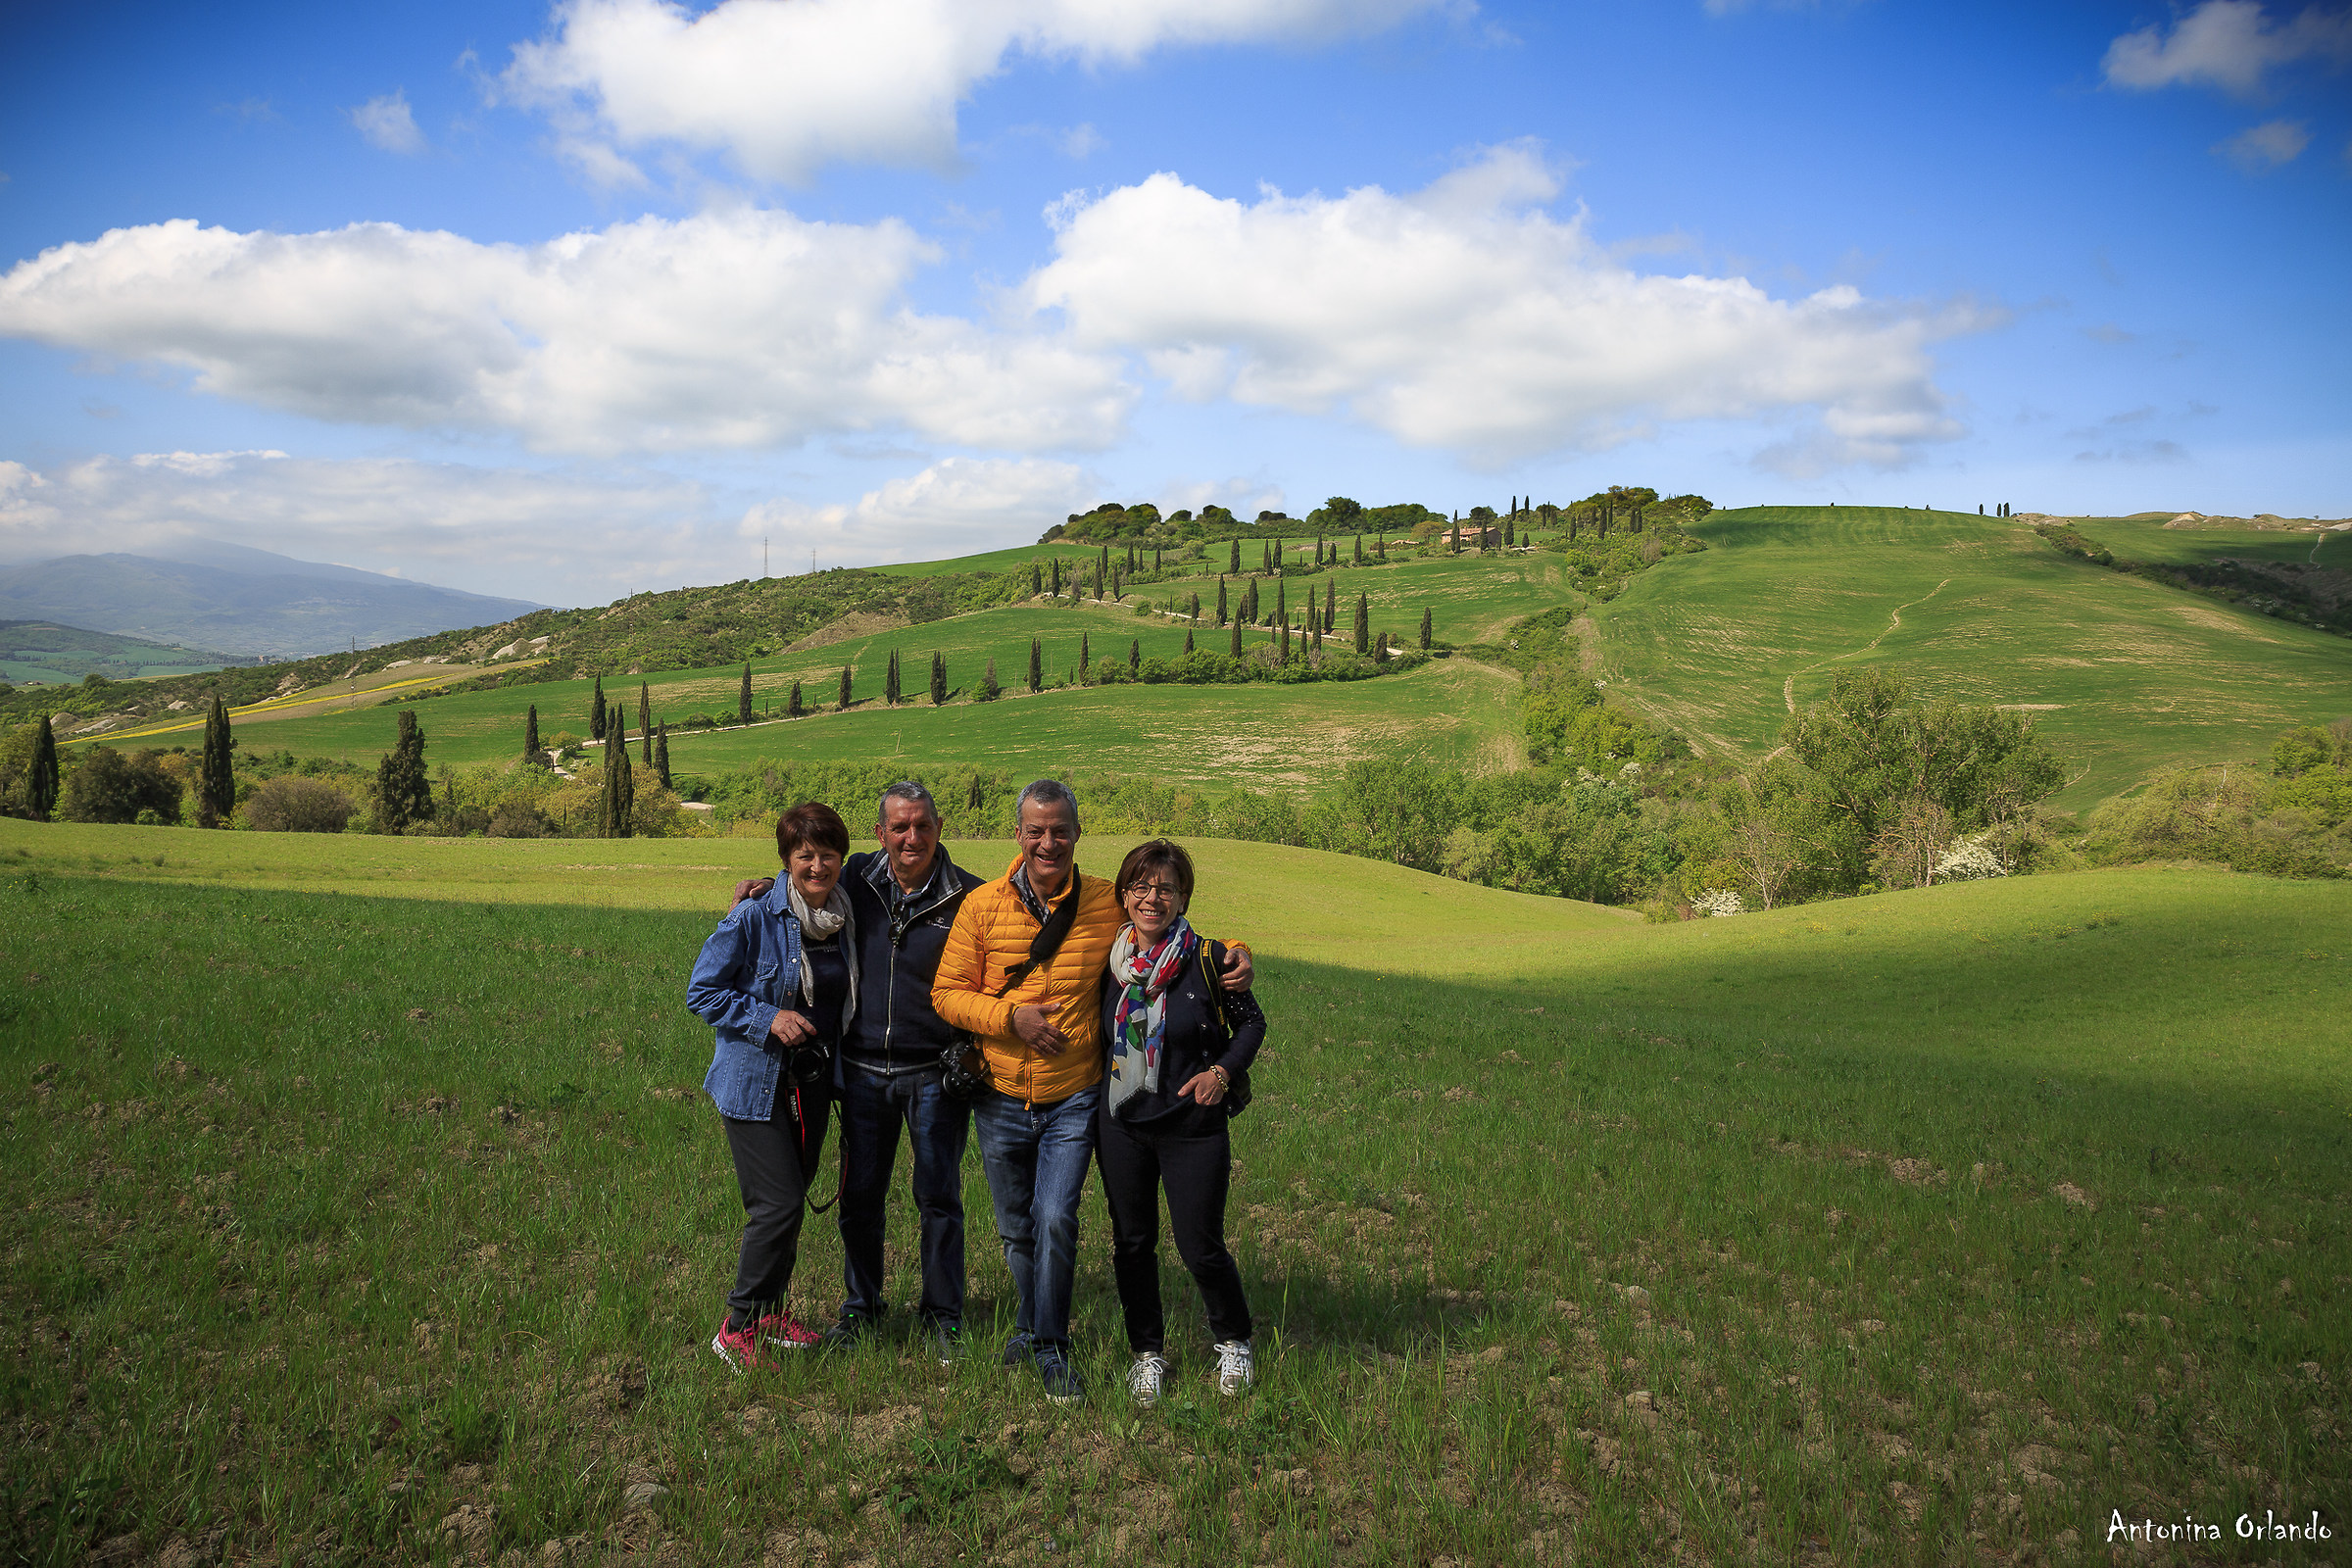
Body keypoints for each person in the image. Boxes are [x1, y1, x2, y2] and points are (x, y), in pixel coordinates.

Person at [930, 779, 1251, 1406]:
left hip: (1077, 1094)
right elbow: (946, 994)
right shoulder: (983, 906)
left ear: (1078, 834)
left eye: (1060, 831)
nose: (1048, 842)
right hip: (999, 1094)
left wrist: (1236, 953)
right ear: (1018, 835)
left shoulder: (1106, 900)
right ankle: (1033, 1328)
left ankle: (1052, 1347)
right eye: (1036, 831)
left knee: (1054, 1218)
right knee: (1015, 1229)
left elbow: (1170, 928)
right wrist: (1010, 1018)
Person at [727, 783, 985, 1362]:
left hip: (933, 1075)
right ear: (880, 833)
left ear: (939, 828)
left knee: (938, 1198)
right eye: (899, 827)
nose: (911, 837)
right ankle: (861, 1309)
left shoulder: (970, 897)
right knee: (861, 1199)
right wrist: (763, 887)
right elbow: (805, 876)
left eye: (922, 825)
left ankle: (942, 1316)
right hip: (863, 1072)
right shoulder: (856, 878)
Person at [688, 803, 857, 1372]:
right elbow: (702, 992)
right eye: (805, 855)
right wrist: (769, 1018)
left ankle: (770, 1315)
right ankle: (737, 1327)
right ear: (786, 859)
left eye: (828, 854)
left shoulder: (844, 913)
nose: (817, 866)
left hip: (811, 1083)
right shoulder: (753, 916)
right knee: (777, 1205)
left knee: (790, 1205)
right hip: (754, 1082)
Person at [1097, 840, 1265, 1406]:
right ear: (1124, 896)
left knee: (1200, 1245)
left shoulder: (1209, 959)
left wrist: (1221, 1072)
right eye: (1141, 887)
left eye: (1166, 888)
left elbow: (1252, 1024)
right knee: (1132, 1244)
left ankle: (1234, 1341)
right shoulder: (1108, 960)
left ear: (1183, 898)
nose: (1153, 898)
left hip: (1193, 1126)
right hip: (1122, 1123)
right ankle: (1147, 1353)